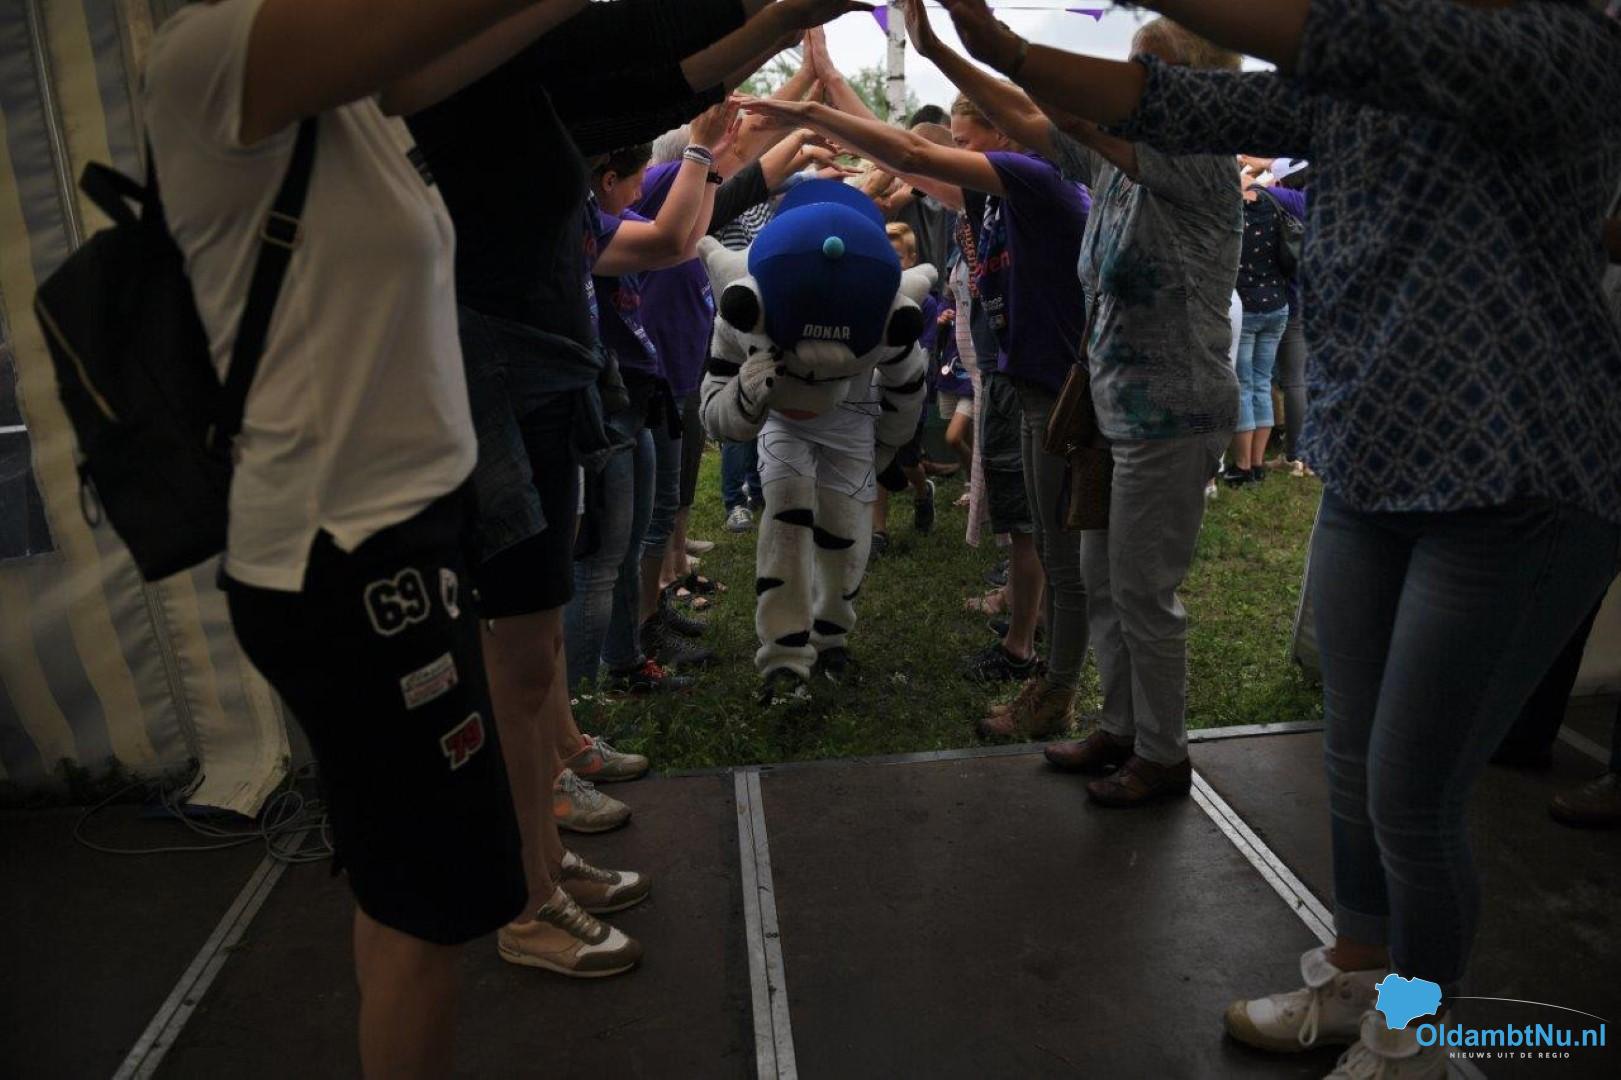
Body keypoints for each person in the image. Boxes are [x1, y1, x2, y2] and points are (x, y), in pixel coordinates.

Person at [940, 0, 1621, 1075]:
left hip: (1512, 480)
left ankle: (1412, 1037)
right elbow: (1173, 101)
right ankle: (1358, 972)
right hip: (1375, 466)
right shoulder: (1355, 82)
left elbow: (1343, 37)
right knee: (1351, 757)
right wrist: (1005, 49)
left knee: (1411, 794)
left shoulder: (1559, 41)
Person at [144, 0, 594, 1073]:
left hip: (400, 544)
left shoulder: (353, 102)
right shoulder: (215, 55)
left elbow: (469, 42)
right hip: (344, 560)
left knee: (407, 897)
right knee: (427, 916)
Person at [407, 0, 864, 981]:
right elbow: (659, 70)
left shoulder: (523, 104)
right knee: (518, 655)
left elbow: (665, 77)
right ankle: (526, 896)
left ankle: (541, 856)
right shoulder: (460, 86)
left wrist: (773, 35)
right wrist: (777, 27)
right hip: (501, 388)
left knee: (532, 650)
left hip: (541, 386)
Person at [910, 2, 1240, 768]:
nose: (1128, 79)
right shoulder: (1115, 168)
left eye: (1145, 68)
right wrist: (940, 53)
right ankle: (1117, 729)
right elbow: (1025, 119)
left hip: (1172, 412)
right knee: (1099, 578)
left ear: (1189, 84)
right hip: (1110, 411)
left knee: (1142, 591)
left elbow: (1060, 113)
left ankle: (1161, 756)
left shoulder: (1197, 160)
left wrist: (995, 43)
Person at [871, 222, 941, 553]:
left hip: (908, 396)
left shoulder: (924, 303)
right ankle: (878, 531)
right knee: (877, 458)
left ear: (912, 259)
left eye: (897, 256)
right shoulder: (872, 295)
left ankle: (923, 491)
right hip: (874, 392)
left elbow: (923, 353)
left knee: (907, 460)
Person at [1224, 163, 1291, 486]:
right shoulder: (1270, 204)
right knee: (1262, 383)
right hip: (1277, 303)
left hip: (1246, 306)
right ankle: (1258, 461)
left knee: (1243, 384)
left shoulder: (1230, 214)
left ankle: (1242, 466)